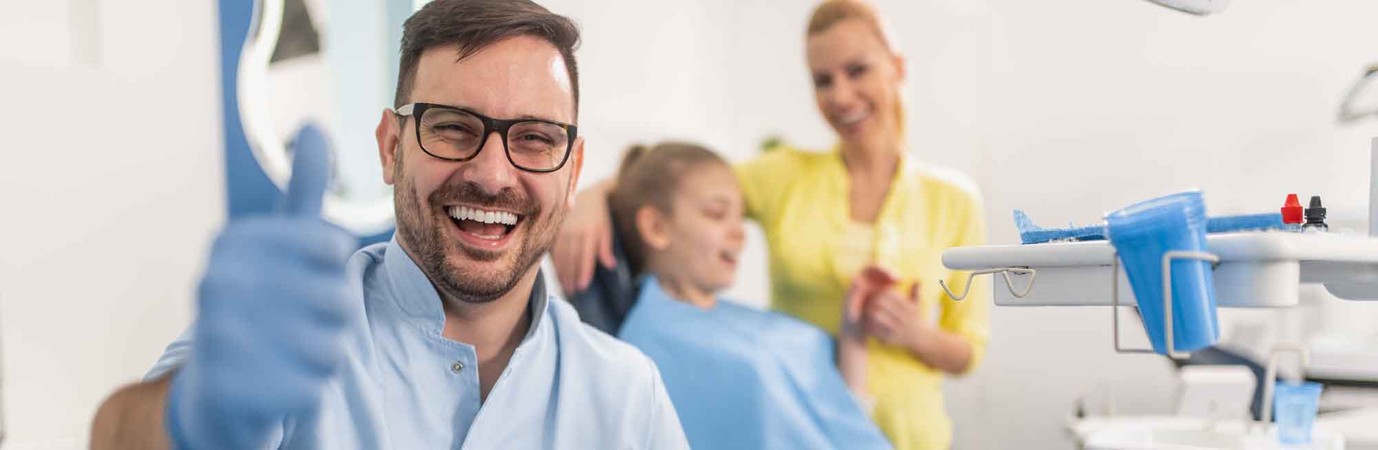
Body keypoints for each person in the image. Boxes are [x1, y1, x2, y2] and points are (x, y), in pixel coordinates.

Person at [89, 1, 689, 448]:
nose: (492, 174)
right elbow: (121, 436)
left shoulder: (627, 396)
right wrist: (194, 414)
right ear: (390, 148)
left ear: (573, 169)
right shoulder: (294, 335)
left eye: (534, 138)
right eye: (452, 127)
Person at [553, 1, 988, 448]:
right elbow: (677, 184)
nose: (840, 95)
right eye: (823, 80)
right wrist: (590, 194)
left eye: (857, 70)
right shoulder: (782, 175)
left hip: (912, 434)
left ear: (897, 67)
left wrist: (915, 335)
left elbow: (969, 349)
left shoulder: (955, 200)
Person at [604, 142, 892, 449]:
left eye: (740, 217)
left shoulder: (737, 323)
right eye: (717, 214)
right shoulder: (650, 347)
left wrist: (854, 334)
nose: (739, 232)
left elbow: (840, 416)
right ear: (656, 227)